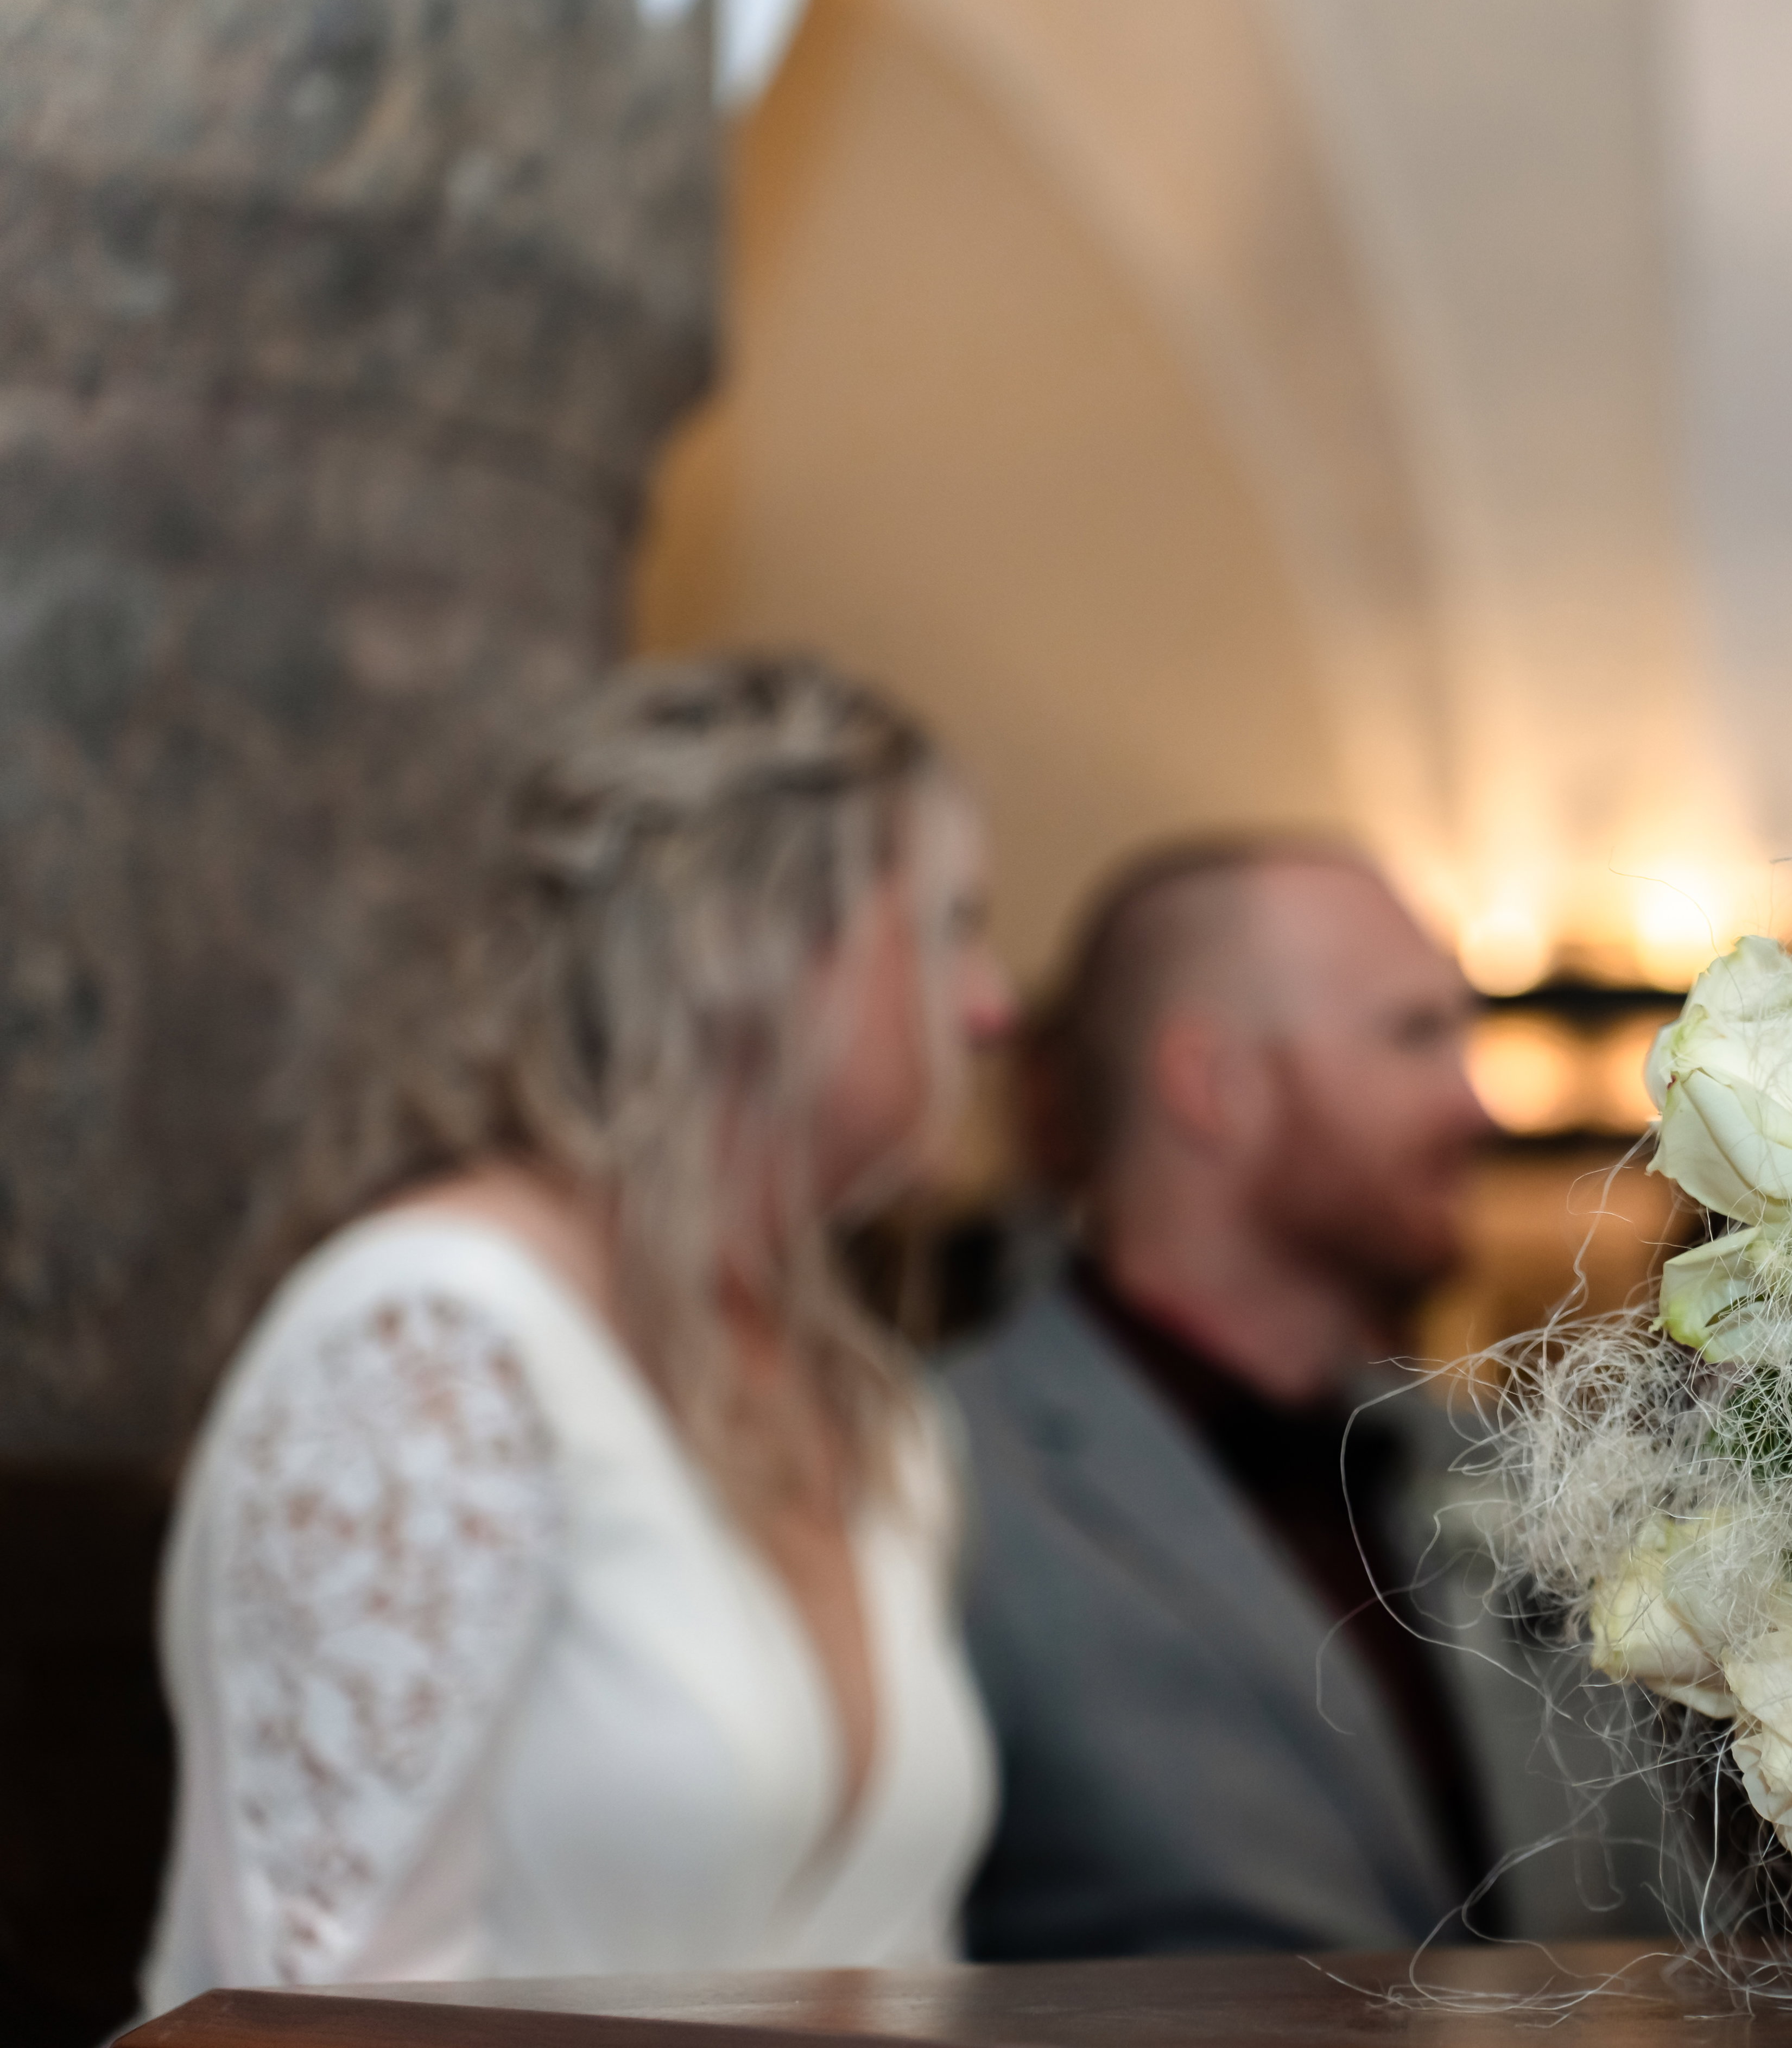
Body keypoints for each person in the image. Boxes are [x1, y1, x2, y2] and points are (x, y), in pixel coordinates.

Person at [142, 654, 1016, 2005]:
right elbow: (322, 2011)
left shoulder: (887, 1413)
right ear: (748, 938)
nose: (994, 1003)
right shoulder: (432, 1349)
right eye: (953, 924)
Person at [948, 837, 1514, 1958]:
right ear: (1212, 1084)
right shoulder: (944, 1475)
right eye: (1414, 1034)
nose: (1478, 1106)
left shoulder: (1495, 1463)